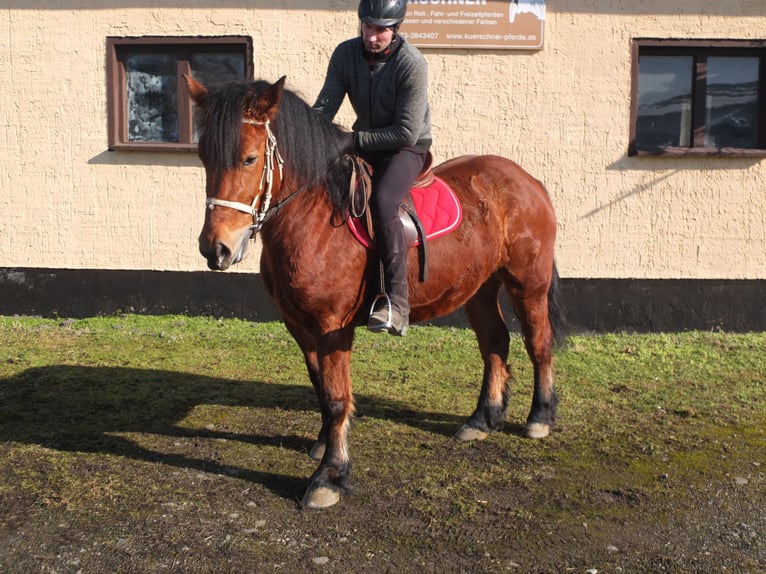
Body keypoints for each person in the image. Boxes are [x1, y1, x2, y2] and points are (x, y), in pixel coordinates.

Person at [313, 0, 432, 337]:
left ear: (395, 29)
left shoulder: (412, 64)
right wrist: (306, 137)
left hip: (406, 148)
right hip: (366, 142)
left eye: (380, 29)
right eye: (367, 26)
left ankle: (397, 303)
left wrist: (352, 141)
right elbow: (325, 107)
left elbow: (406, 131)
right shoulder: (345, 54)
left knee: (382, 200)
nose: (372, 36)